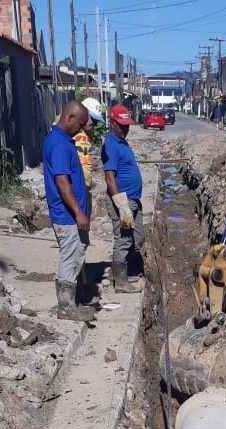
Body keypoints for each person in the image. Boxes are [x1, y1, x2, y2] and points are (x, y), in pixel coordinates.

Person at [43, 101, 95, 321]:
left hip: (71, 215)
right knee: (69, 258)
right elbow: (63, 183)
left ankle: (73, 300)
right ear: (69, 118)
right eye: (81, 124)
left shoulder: (63, 140)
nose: (82, 128)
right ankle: (65, 307)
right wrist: (79, 213)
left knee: (76, 255)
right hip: (67, 216)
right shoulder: (59, 144)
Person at [101, 104, 144, 294]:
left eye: (127, 125)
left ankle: (131, 270)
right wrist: (122, 205)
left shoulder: (121, 141)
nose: (126, 128)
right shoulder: (110, 143)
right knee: (124, 239)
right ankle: (120, 281)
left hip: (133, 199)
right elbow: (110, 177)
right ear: (112, 123)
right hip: (123, 201)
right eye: (122, 125)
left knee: (138, 236)